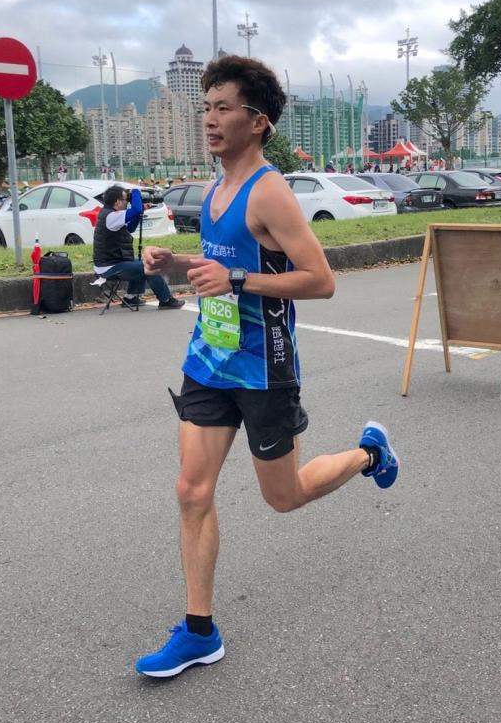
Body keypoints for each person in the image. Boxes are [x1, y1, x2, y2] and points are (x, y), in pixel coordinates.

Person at [135, 55, 399, 679]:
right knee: (191, 491)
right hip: (210, 358)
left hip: (264, 368)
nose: (209, 119)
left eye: (223, 108)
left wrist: (235, 280)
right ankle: (199, 631)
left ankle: (369, 454)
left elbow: (321, 280)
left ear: (258, 122)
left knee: (284, 496)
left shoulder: (270, 190)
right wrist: (178, 264)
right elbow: (226, 260)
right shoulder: (216, 187)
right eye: (206, 107)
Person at [93, 184, 184, 310]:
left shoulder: (111, 214)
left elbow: (130, 228)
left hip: (111, 263)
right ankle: (166, 300)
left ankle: (130, 297)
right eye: (126, 199)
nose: (127, 202)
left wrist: (141, 210)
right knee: (149, 266)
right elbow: (135, 210)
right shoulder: (111, 216)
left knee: (140, 262)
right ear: (118, 201)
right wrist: (135, 192)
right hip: (108, 267)